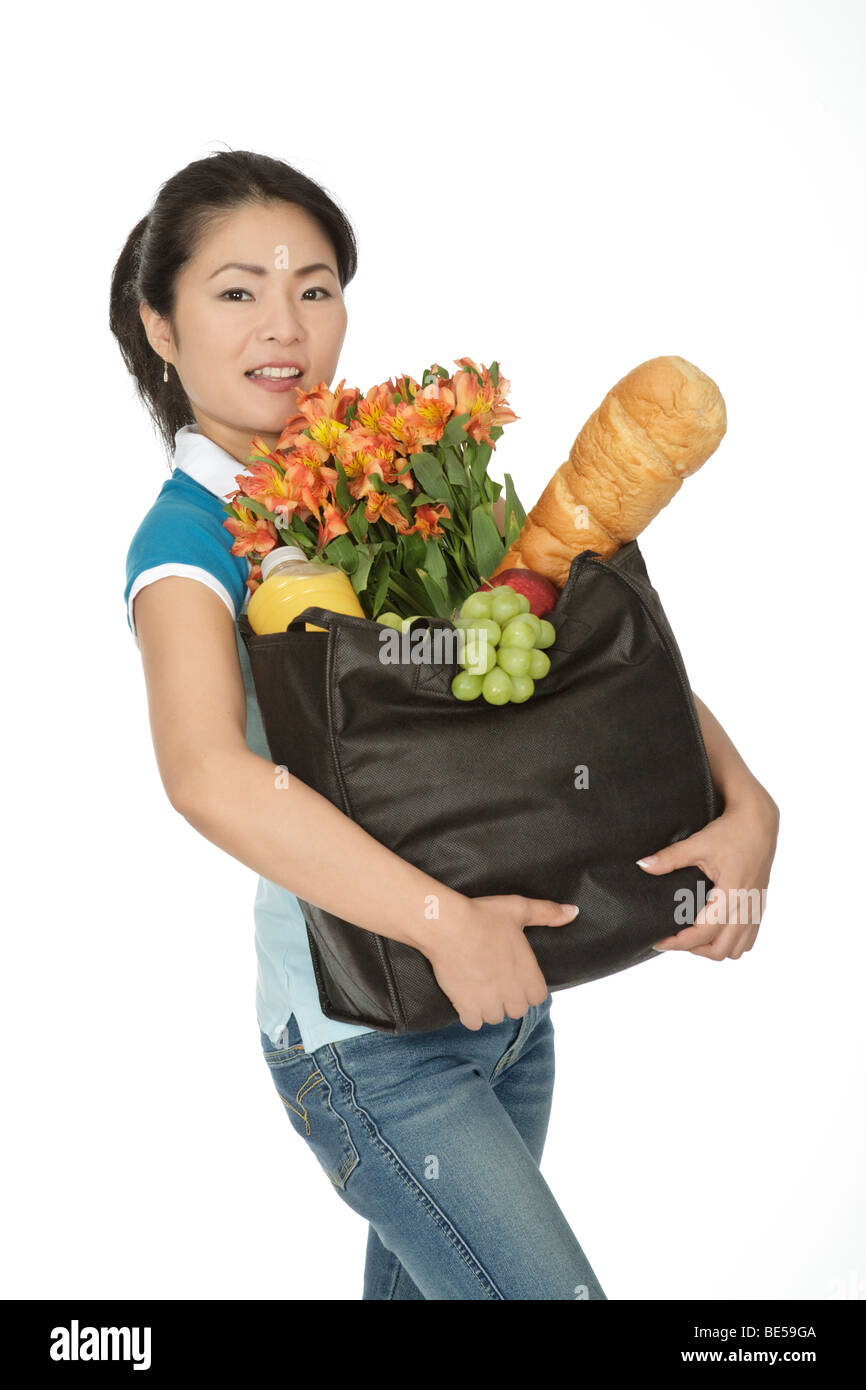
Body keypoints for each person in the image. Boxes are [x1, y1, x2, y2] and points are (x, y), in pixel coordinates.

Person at [111, 149, 780, 1301]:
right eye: (237, 291)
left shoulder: (384, 481)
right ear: (160, 326)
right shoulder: (185, 546)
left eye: (314, 287)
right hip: (370, 1039)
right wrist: (442, 921)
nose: (286, 325)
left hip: (509, 1006)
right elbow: (208, 775)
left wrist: (747, 803)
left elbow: (560, 648)